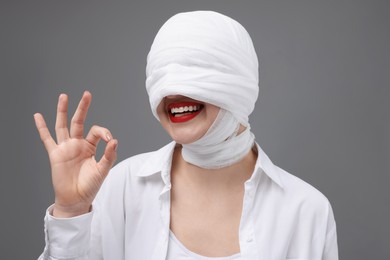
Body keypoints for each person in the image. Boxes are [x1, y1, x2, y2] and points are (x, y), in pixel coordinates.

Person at [35, 11, 338, 260]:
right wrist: (71, 212)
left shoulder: (307, 212)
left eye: (196, 71)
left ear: (240, 83)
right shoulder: (119, 188)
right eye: (162, 74)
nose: (173, 91)